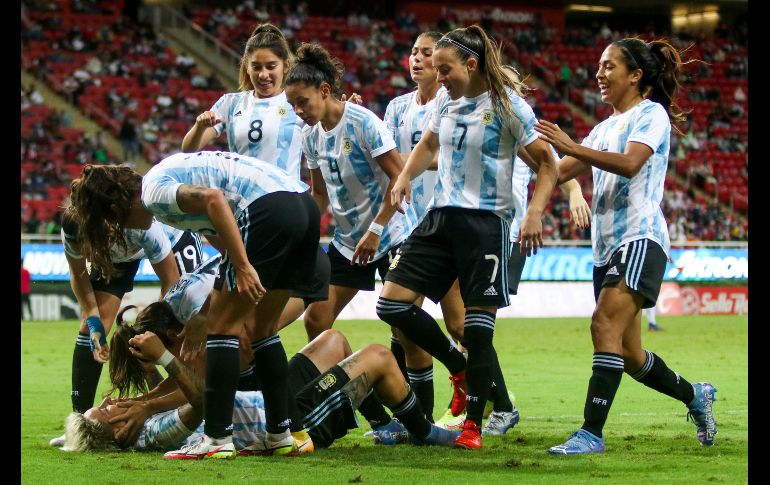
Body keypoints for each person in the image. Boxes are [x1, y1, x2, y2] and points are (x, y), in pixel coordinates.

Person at [377, 25, 559, 450]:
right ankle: (457, 367)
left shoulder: (508, 105)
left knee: (476, 330)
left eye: (445, 69)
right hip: (440, 218)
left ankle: (474, 425)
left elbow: (548, 164)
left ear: (471, 65)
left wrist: (534, 213)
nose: (439, 77)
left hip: (486, 224)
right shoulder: (445, 100)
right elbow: (428, 144)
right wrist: (403, 177)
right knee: (391, 303)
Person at [68, 152, 320, 458]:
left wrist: (241, 266)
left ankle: (217, 439)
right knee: (262, 330)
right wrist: (210, 303)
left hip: (267, 209)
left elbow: (214, 199)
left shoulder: (153, 194)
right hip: (301, 203)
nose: (125, 231)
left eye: (115, 223)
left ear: (116, 207)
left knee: (221, 330)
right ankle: (280, 435)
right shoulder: (164, 188)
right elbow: (220, 235)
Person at [534, 37, 717, 454]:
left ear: (635, 75)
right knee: (631, 355)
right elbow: (556, 171)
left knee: (603, 324)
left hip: (640, 236)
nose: (598, 73)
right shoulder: (602, 129)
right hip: (606, 247)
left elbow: (631, 164)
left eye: (608, 66)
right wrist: (523, 148)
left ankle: (590, 433)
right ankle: (696, 395)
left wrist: (572, 147)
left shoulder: (651, 114)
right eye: (599, 65)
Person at [62, 318, 460, 454]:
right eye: (105, 411)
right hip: (289, 420)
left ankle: (385, 426)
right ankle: (425, 432)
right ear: (118, 431)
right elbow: (202, 404)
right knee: (379, 356)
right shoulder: (150, 433)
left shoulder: (135, 417)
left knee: (333, 340)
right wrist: (166, 358)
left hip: (270, 398)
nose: (109, 402)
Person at [181, 23, 329, 327]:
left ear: (285, 65)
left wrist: (345, 112)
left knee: (249, 319)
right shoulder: (231, 103)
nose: (263, 74)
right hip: (243, 214)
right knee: (241, 318)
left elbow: (330, 125)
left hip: (282, 210)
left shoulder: (296, 103)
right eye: (256, 67)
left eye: (271, 66)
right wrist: (199, 126)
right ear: (246, 67)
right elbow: (189, 149)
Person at [283, 43, 417, 348]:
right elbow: (319, 194)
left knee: (403, 328)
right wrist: (298, 231)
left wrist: (376, 229)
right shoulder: (309, 135)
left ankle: (417, 381)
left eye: (302, 102)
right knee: (316, 318)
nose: (298, 111)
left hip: (391, 234)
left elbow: (399, 179)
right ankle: (338, 375)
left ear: (324, 90)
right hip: (349, 243)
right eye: (292, 105)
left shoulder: (363, 122)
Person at [48, 204, 203, 447]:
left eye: (89, 249)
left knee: (183, 326)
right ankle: (83, 420)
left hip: (173, 238)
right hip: (117, 252)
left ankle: (205, 385)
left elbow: (171, 286)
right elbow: (78, 274)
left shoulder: (142, 228)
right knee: (91, 328)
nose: (87, 257)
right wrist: (94, 320)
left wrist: (156, 342)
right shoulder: (72, 228)